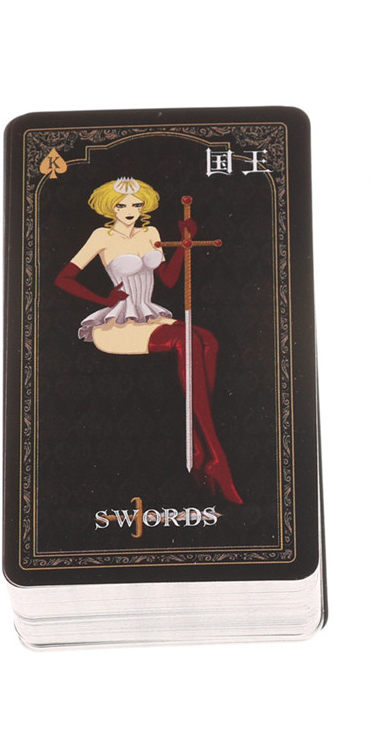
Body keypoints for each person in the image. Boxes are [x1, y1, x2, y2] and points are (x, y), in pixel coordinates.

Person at [55, 177, 242, 504]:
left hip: (150, 314)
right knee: (184, 340)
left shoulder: (150, 232)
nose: (130, 210)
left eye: (136, 204)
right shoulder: (101, 236)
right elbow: (64, 278)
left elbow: (168, 279)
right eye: (122, 204)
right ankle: (216, 457)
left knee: (207, 340)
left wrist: (184, 244)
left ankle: (200, 449)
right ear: (110, 207)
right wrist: (103, 299)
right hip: (118, 324)